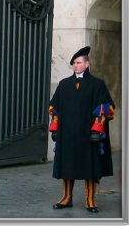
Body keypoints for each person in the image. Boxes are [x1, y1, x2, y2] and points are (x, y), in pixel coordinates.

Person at [49, 46, 115, 213]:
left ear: (87, 64)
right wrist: (55, 128)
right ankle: (66, 198)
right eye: (73, 63)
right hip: (68, 136)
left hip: (88, 135)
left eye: (78, 63)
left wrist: (97, 130)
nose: (75, 66)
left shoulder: (97, 85)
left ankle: (90, 200)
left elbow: (106, 108)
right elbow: (53, 107)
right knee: (67, 166)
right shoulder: (63, 85)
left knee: (90, 168)